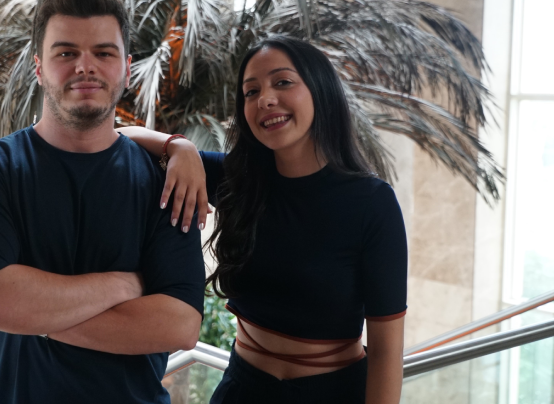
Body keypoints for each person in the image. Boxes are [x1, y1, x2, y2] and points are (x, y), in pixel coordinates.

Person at [0, 0, 205, 404]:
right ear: (38, 68)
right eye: (66, 53)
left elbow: (179, 325)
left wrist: (34, 316)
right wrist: (123, 286)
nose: (85, 67)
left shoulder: (164, 182)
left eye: (104, 53)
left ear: (126, 68)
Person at [119, 37, 407, 403]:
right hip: (242, 389)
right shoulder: (238, 180)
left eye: (282, 82)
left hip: (334, 393)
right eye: (251, 91)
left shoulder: (371, 203)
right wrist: (179, 145)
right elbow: (119, 137)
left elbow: (386, 352)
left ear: (320, 90)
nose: (265, 99)